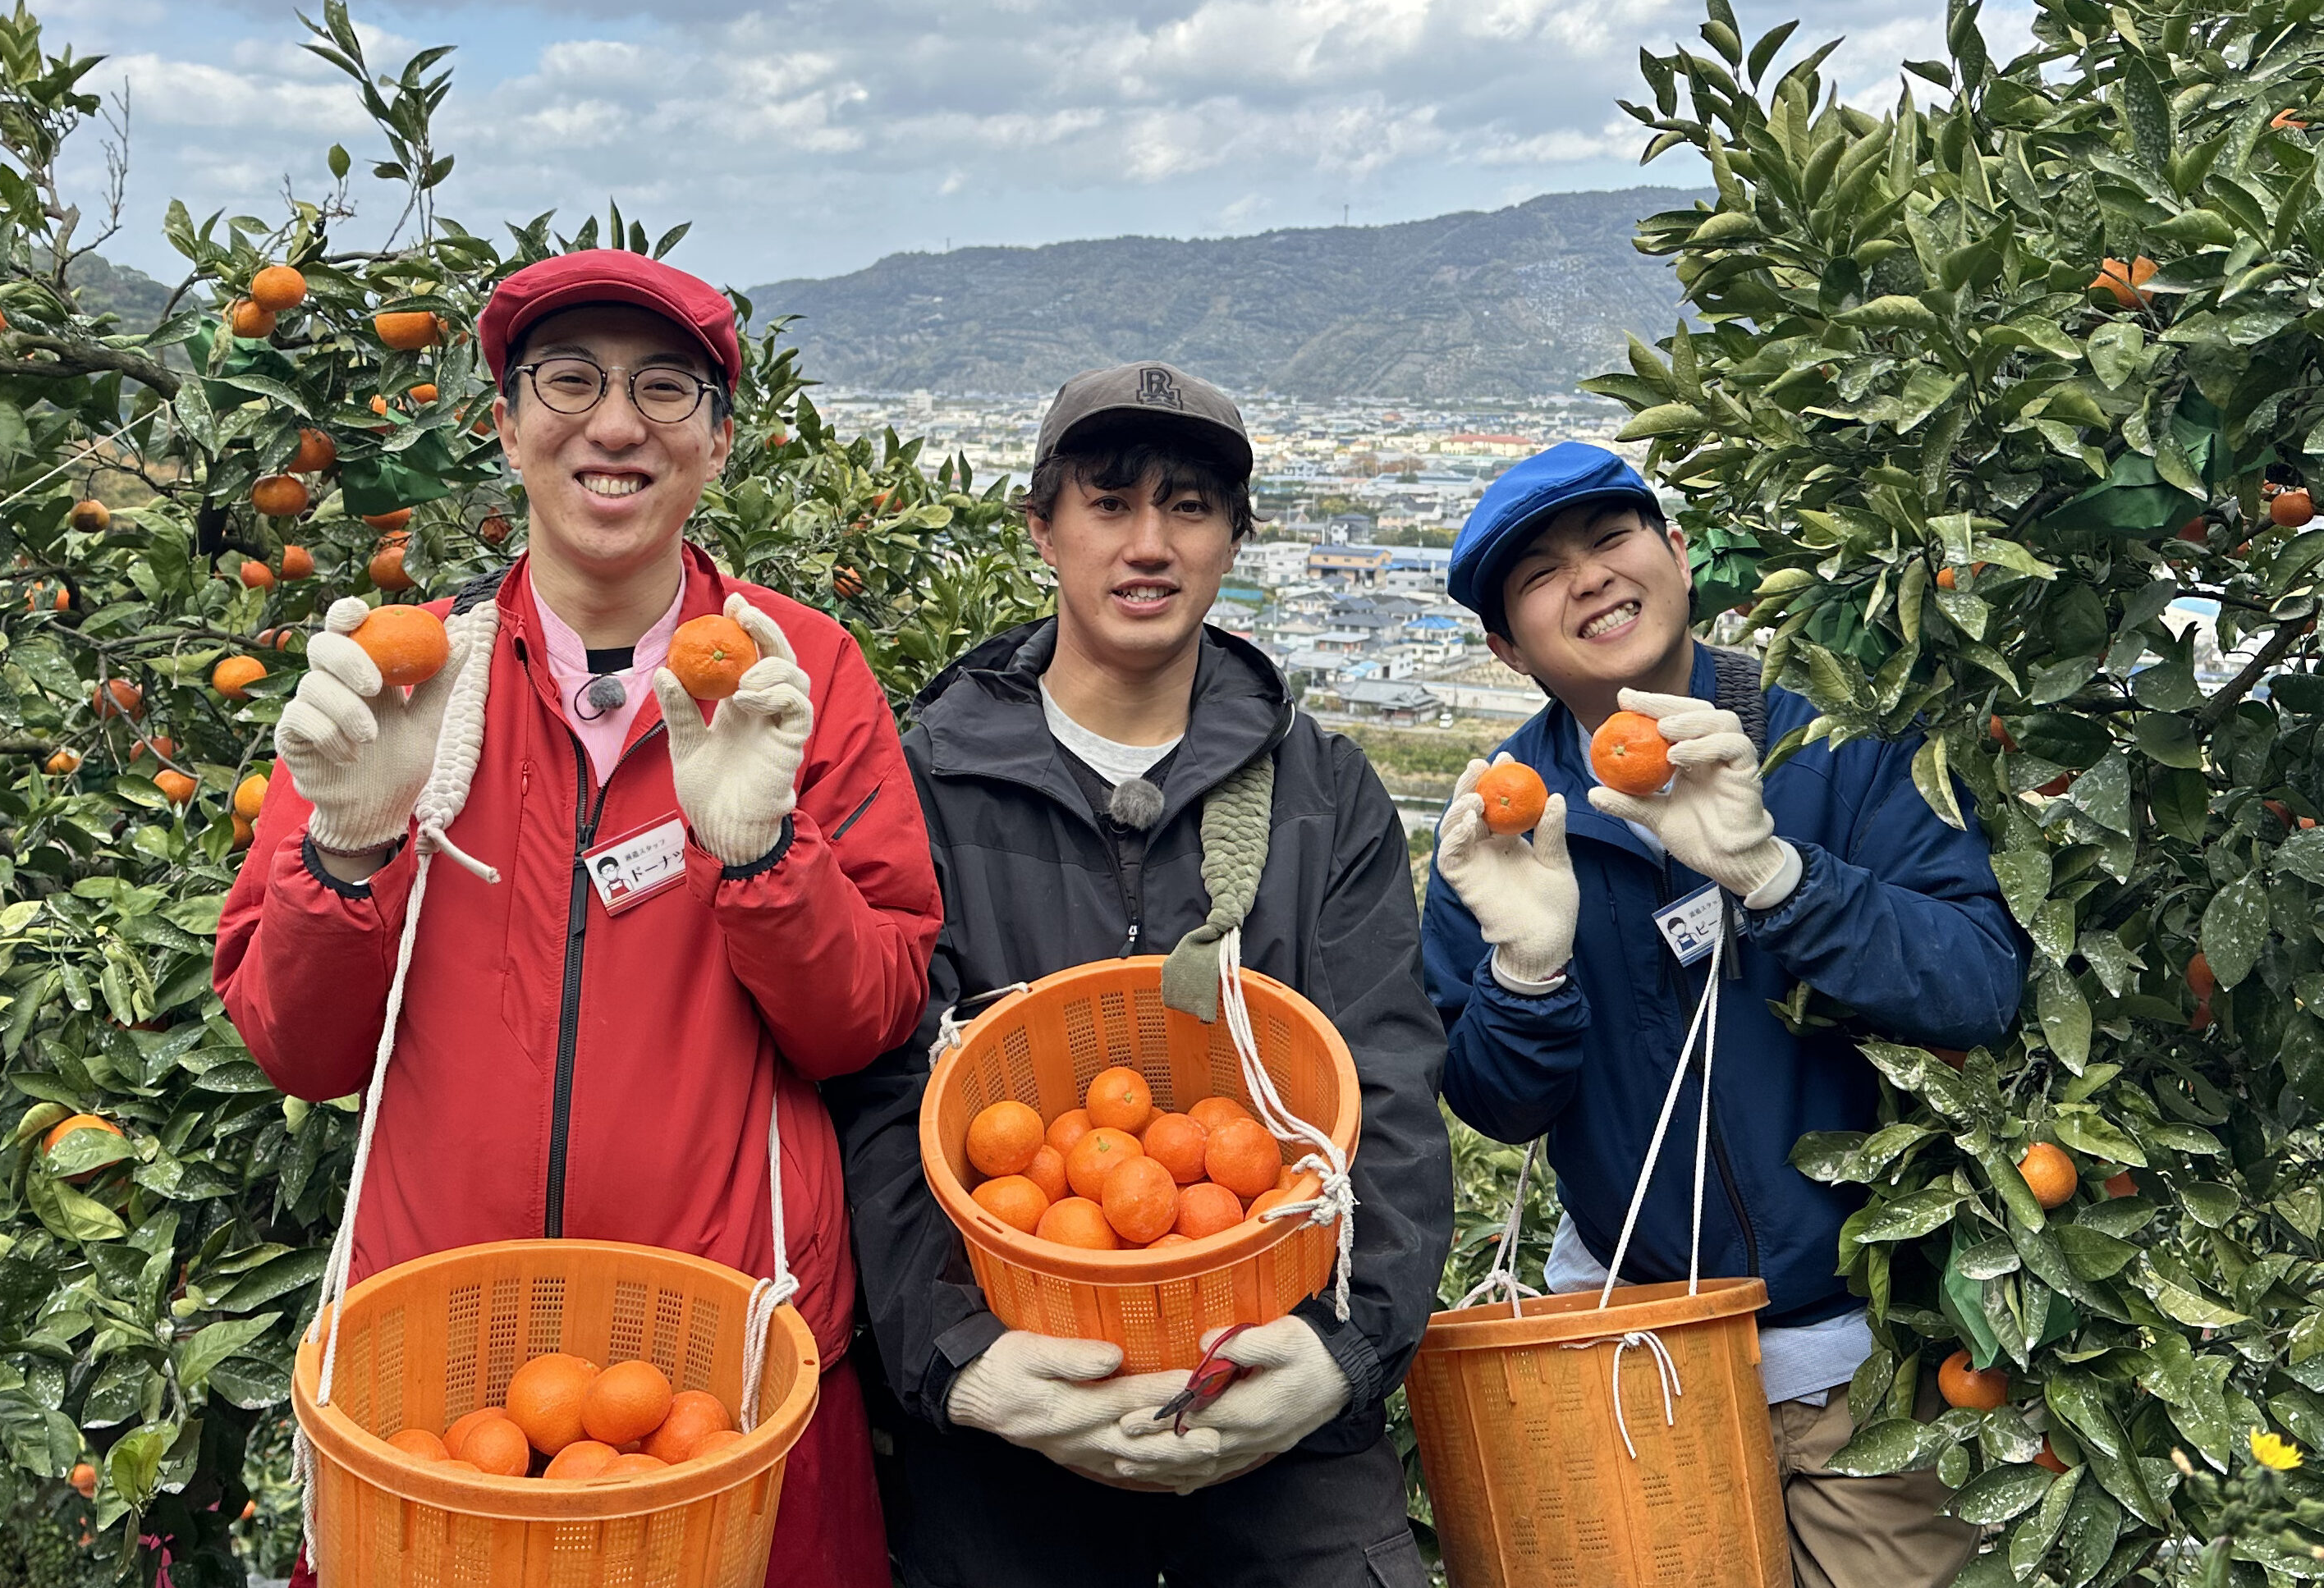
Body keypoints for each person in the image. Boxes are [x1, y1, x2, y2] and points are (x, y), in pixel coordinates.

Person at [213, 250, 938, 1588]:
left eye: (666, 389)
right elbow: (297, 1051)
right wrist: (352, 843)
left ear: (719, 442)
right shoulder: (401, 682)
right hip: (436, 1376)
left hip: (729, 1370)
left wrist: (767, 856)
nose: (615, 424)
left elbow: (865, 1020)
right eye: (570, 379)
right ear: (504, 420)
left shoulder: (801, 675)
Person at [827, 362, 1452, 1587]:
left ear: (1233, 541)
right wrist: (961, 1366)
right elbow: (886, 1094)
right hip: (1015, 1439)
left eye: (1190, 507)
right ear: (1042, 528)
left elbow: (1386, 1090)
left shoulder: (1323, 794)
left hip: (1282, 1421)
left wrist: (1339, 1354)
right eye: (1109, 503)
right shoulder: (924, 785)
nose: (1149, 543)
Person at [1422, 442, 2028, 1588]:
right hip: (1636, 1358)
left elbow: (1981, 984)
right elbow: (1498, 1104)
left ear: (1679, 553)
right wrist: (1527, 975)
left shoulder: (1831, 749)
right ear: (1506, 647)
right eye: (1541, 574)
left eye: (1612, 539)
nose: (1591, 578)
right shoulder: (1502, 823)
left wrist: (1780, 877)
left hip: (1869, 1362)